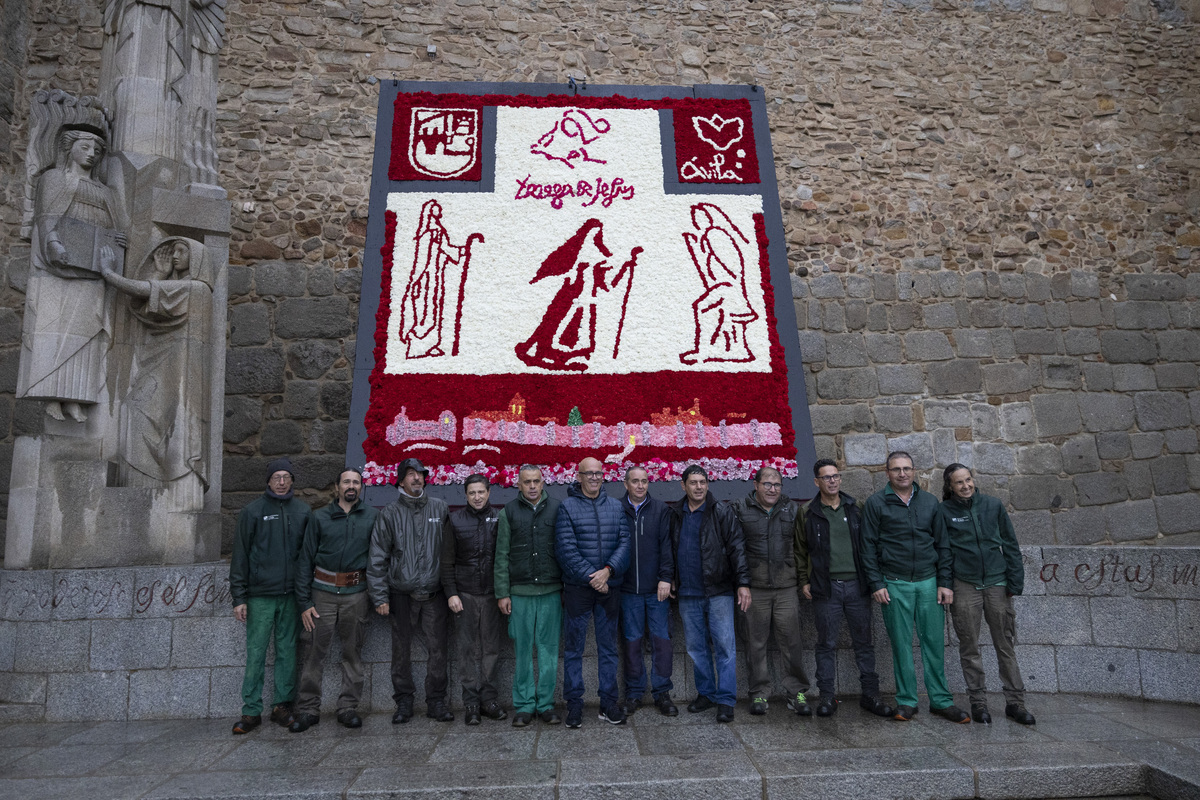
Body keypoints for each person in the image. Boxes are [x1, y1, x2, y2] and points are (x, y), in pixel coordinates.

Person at [18, 124, 125, 423]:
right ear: (69, 149)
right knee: (54, 333)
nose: (91, 155)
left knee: (86, 334)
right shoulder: (54, 179)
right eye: (85, 148)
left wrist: (119, 242)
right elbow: (47, 219)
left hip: (93, 270)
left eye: (96, 151)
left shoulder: (105, 191)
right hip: (62, 267)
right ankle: (52, 395)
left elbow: (114, 227)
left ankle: (78, 398)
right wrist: (52, 243)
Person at [861, 451, 968, 724]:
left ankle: (941, 701)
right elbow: (867, 548)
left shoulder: (930, 502)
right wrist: (876, 583)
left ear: (914, 471)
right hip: (894, 585)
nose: (902, 474)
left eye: (907, 468)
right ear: (887, 473)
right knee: (901, 645)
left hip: (928, 583)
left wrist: (945, 583)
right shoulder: (875, 503)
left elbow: (943, 545)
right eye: (896, 469)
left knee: (934, 643)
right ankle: (907, 701)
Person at [937, 464, 1036, 726]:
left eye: (968, 480)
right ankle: (978, 702)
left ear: (974, 480)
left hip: (997, 583)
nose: (965, 486)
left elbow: (1010, 544)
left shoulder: (993, 505)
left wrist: (1015, 581)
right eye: (958, 482)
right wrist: (946, 584)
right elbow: (944, 552)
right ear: (949, 486)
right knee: (969, 647)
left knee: (1005, 645)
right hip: (965, 584)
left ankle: (1016, 703)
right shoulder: (944, 511)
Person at [796, 459, 895, 719]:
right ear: (816, 481)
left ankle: (870, 695)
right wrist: (804, 580)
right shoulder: (807, 512)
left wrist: (875, 581)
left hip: (857, 587)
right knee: (825, 644)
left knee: (864, 643)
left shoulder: (855, 508)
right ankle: (827, 696)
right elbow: (800, 549)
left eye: (836, 476)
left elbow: (870, 545)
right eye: (826, 477)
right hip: (825, 588)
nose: (832, 481)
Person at [289, 468, 377, 733]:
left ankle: (348, 707)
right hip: (322, 595)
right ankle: (307, 708)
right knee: (314, 652)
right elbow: (304, 560)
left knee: (352, 653)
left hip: (356, 594)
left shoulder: (372, 517)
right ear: (337, 487)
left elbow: (379, 558)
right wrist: (304, 602)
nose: (351, 486)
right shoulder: (319, 518)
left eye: (356, 482)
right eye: (346, 482)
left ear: (362, 487)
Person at [367, 457, 453, 724]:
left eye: (420, 474)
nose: (417, 478)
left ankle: (436, 701)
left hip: (434, 593)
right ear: (401, 479)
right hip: (401, 594)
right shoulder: (389, 513)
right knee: (400, 650)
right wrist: (380, 596)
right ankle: (403, 701)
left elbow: (450, 553)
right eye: (411, 474)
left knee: (438, 649)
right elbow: (377, 557)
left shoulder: (440, 508)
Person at [229, 458, 311, 735]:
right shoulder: (252, 512)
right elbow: (239, 556)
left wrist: (306, 596)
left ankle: (282, 706)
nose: (281, 481)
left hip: (291, 596)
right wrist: (238, 596)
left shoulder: (303, 511)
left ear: (292, 481)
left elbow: (308, 556)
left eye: (286, 476)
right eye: (276, 476)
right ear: (268, 480)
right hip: (260, 595)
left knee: (287, 651)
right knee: (256, 652)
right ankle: (251, 710)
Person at [669, 464, 750, 723]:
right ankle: (706, 694)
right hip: (688, 593)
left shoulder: (721, 511)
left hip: (719, 591)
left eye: (703, 482)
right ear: (683, 486)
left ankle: (726, 700)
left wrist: (743, 583)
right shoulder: (675, 514)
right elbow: (669, 550)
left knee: (725, 647)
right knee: (696, 647)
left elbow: (737, 547)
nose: (699, 487)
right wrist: (669, 578)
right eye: (693, 482)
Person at [556, 457, 631, 727]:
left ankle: (608, 703)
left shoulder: (615, 506)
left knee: (609, 648)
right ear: (578, 476)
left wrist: (608, 571)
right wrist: (593, 577)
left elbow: (624, 542)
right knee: (574, 649)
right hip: (579, 589)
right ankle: (574, 705)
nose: (595, 478)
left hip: (610, 588)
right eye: (589, 474)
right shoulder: (567, 507)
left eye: (599, 473)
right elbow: (566, 550)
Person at [733, 466, 812, 716]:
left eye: (777, 485)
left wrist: (802, 581)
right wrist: (741, 583)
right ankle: (759, 693)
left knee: (792, 642)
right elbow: (736, 549)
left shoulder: (792, 509)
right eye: (767, 484)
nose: (772, 489)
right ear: (755, 485)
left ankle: (796, 693)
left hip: (786, 587)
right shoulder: (740, 509)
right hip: (754, 589)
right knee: (755, 643)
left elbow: (801, 548)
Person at [495, 464, 563, 727]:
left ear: (543, 482)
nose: (532, 486)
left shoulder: (558, 509)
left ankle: (545, 704)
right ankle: (524, 705)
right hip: (520, 593)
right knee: (522, 651)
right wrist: (503, 593)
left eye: (536, 481)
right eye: (527, 482)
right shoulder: (508, 512)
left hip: (551, 591)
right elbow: (501, 556)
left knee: (548, 651)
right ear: (518, 484)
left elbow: (565, 549)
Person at [441, 474, 507, 725]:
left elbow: (504, 557)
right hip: (465, 595)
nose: (477, 497)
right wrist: (452, 594)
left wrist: (504, 592)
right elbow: (446, 561)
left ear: (489, 493)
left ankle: (489, 699)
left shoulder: (500, 517)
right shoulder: (455, 519)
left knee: (491, 649)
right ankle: (470, 703)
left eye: (481, 492)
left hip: (492, 594)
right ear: (465, 495)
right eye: (472, 493)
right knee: (467, 650)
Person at [618, 465, 677, 717]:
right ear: (625, 484)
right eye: (635, 481)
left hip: (657, 591)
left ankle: (662, 692)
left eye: (644, 481)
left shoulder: (661, 510)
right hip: (627, 590)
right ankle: (634, 693)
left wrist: (666, 578)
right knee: (631, 642)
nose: (640, 486)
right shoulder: (617, 509)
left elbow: (668, 546)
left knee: (662, 642)